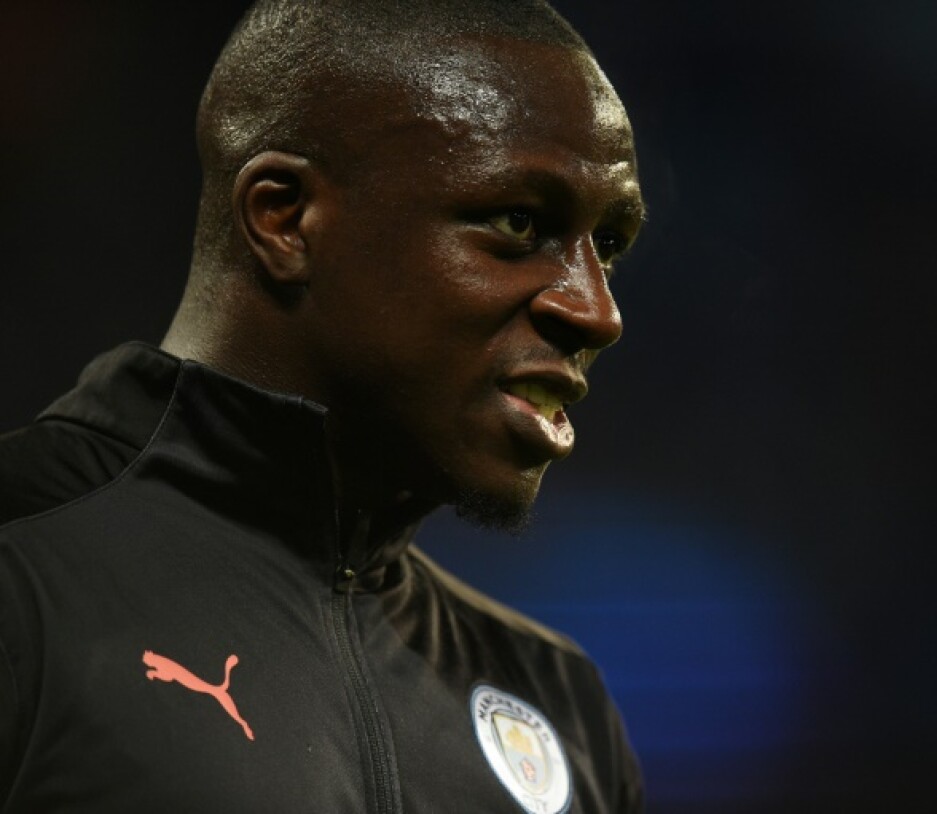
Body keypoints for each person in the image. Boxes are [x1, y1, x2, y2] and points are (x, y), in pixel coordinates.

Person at [0, 0, 646, 811]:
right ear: (284, 218)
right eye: (520, 222)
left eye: (610, 247)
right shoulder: (22, 569)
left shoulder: (561, 705)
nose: (596, 313)